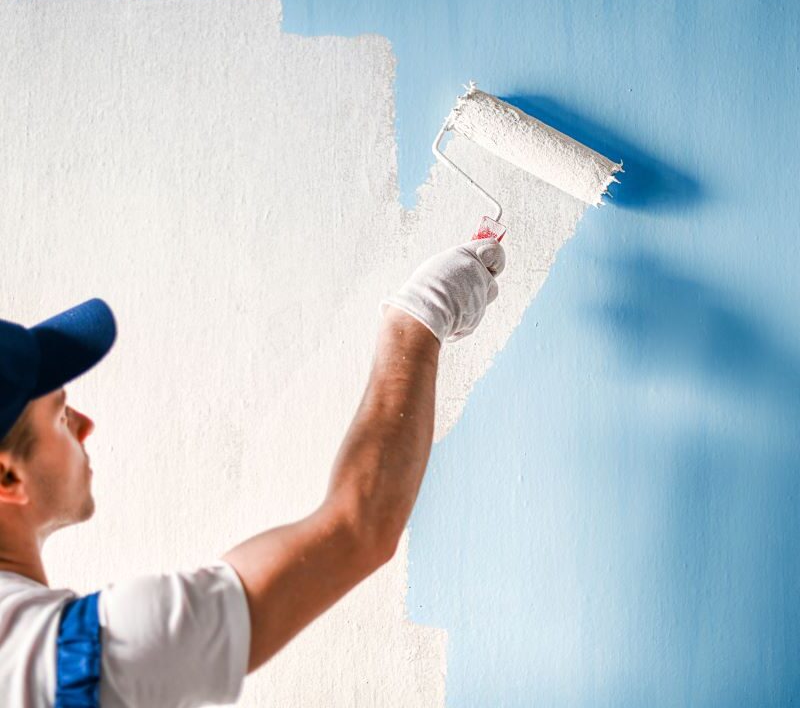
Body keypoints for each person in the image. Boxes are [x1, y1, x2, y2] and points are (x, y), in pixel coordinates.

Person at [0, 237, 505, 707]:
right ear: (8, 479)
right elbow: (358, 527)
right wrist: (416, 323)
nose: (85, 425)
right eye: (61, 414)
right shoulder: (73, 658)